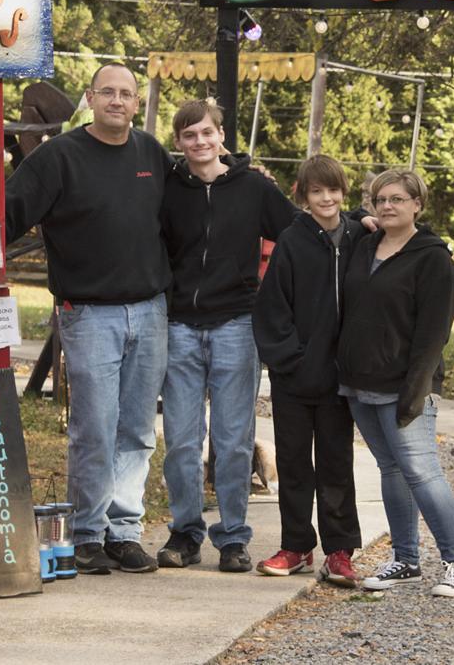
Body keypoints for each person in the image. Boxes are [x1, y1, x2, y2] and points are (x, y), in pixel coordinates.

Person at [5, 63, 169, 575]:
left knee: (138, 430)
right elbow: (7, 213)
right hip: (89, 313)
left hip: (150, 309)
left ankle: (123, 532)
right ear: (90, 98)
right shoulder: (59, 157)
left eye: (126, 93)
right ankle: (85, 533)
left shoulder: (151, 153)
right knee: (94, 428)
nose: (117, 101)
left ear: (137, 103)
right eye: (107, 93)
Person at [158, 99, 297, 573]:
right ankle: (185, 532)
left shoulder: (253, 187)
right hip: (179, 326)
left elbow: (298, 231)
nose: (199, 142)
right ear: (178, 142)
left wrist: (356, 220)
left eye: (207, 132)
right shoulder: (167, 188)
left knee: (234, 439)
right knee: (180, 438)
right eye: (189, 135)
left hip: (237, 324)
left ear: (221, 136)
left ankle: (233, 536)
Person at [336, 168, 454, 598]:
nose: (388, 206)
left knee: (421, 472)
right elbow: (337, 216)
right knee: (390, 468)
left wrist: (417, 391)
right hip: (359, 384)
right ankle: (406, 559)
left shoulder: (432, 257)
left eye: (398, 199)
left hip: (405, 387)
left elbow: (434, 333)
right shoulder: (364, 245)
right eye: (381, 200)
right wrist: (364, 217)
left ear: (418, 204)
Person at [252, 154, 363, 586]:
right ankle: (296, 545)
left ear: (343, 192)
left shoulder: (358, 236)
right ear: (302, 195)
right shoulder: (291, 242)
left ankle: (339, 551)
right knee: (295, 464)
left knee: (337, 464)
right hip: (295, 380)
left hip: (341, 379)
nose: (326, 198)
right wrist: (290, 360)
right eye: (316, 191)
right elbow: (271, 310)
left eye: (333, 189)